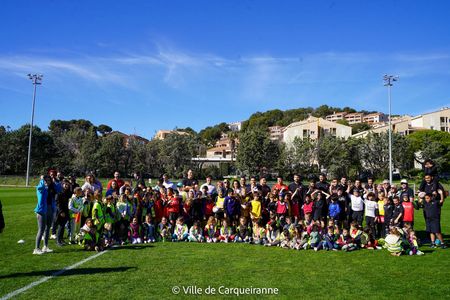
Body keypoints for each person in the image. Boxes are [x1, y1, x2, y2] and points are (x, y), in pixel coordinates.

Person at [33, 175, 56, 255]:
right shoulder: (41, 188)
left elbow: (58, 188)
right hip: (42, 210)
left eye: (49, 180)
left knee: (47, 228)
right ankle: (36, 248)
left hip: (49, 209)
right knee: (41, 229)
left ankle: (45, 246)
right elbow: (40, 187)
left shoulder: (50, 188)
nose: (47, 182)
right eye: (46, 180)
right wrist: (42, 180)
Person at [54, 180, 72, 246]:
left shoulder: (68, 193)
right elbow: (58, 204)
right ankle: (58, 240)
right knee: (61, 226)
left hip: (66, 211)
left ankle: (61, 239)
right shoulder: (59, 194)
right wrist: (61, 212)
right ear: (62, 185)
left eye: (67, 185)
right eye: (65, 184)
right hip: (61, 212)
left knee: (63, 226)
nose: (66, 186)